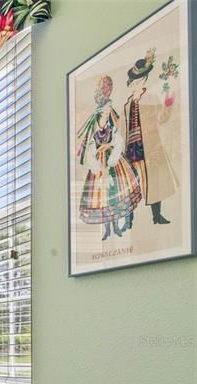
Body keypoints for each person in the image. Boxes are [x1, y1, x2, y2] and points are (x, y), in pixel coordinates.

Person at [75, 75, 143, 240]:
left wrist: (112, 159)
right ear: (100, 113)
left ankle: (116, 226)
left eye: (108, 111)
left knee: (115, 194)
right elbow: (90, 150)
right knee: (102, 198)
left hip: (113, 163)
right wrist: (98, 166)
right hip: (99, 164)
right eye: (105, 112)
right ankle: (107, 229)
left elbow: (118, 142)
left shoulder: (112, 129)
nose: (107, 114)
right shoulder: (95, 131)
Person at [123, 48, 178, 226]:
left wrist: (169, 101)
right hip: (131, 148)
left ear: (144, 80)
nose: (135, 85)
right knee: (130, 185)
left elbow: (162, 118)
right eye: (133, 82)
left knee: (154, 181)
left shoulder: (152, 98)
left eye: (138, 81)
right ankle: (128, 220)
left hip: (149, 146)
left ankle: (156, 216)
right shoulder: (128, 104)